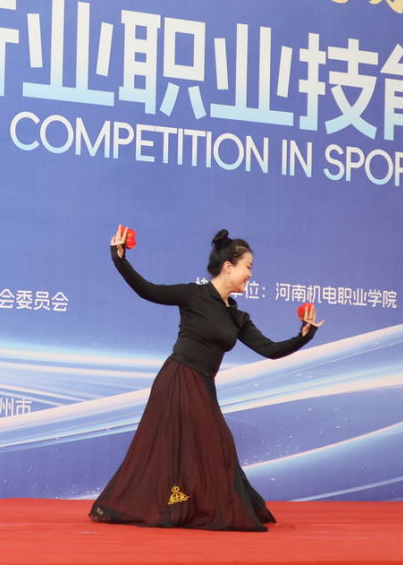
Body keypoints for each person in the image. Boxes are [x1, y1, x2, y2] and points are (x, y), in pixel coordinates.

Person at [89, 226, 322, 531]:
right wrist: (119, 259)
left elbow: (270, 350)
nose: (251, 274)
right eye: (248, 267)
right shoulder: (194, 295)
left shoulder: (237, 317)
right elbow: (148, 290)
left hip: (203, 386)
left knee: (212, 446)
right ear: (229, 267)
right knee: (190, 447)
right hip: (177, 380)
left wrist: (304, 335)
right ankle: (172, 507)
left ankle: (189, 506)